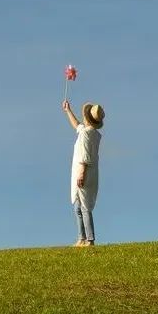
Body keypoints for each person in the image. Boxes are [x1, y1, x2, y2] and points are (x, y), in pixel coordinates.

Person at [62, 99, 105, 247]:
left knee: (84, 207)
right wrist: (68, 110)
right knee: (78, 207)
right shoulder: (90, 132)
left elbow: (85, 157)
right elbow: (77, 125)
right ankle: (82, 238)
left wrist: (82, 174)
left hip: (84, 172)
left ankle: (89, 239)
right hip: (87, 172)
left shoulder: (87, 134)